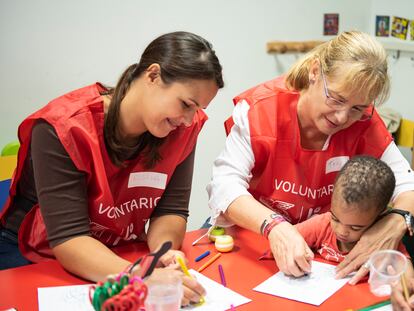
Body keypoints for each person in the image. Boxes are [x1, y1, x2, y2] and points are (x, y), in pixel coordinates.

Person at [0, 31, 223, 305]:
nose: (190, 120)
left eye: (197, 108)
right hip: (36, 253)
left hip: (114, 248)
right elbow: (70, 238)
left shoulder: (181, 127)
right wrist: (138, 277)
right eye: (186, 104)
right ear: (153, 76)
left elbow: (171, 210)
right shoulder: (64, 127)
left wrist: (163, 253)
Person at [207, 30, 414, 284]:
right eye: (336, 99)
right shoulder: (261, 109)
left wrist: (395, 221)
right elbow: (224, 186)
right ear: (315, 72)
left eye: (357, 109)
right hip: (257, 236)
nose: (342, 118)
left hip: (322, 248)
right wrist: (275, 227)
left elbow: (406, 183)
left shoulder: (365, 122)